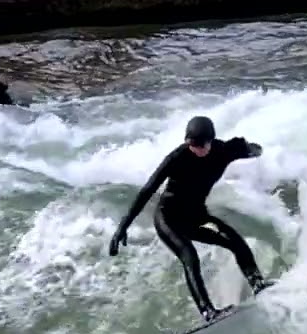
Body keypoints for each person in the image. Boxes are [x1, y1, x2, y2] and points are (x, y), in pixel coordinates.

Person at [108, 115, 275, 323]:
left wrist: (250, 150)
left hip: (197, 217)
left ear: (210, 141)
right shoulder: (177, 157)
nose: (194, 149)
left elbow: (252, 149)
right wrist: (122, 227)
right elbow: (148, 190)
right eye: (191, 144)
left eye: (199, 145)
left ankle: (257, 283)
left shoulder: (222, 151)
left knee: (233, 239)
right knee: (189, 256)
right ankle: (208, 312)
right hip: (169, 219)